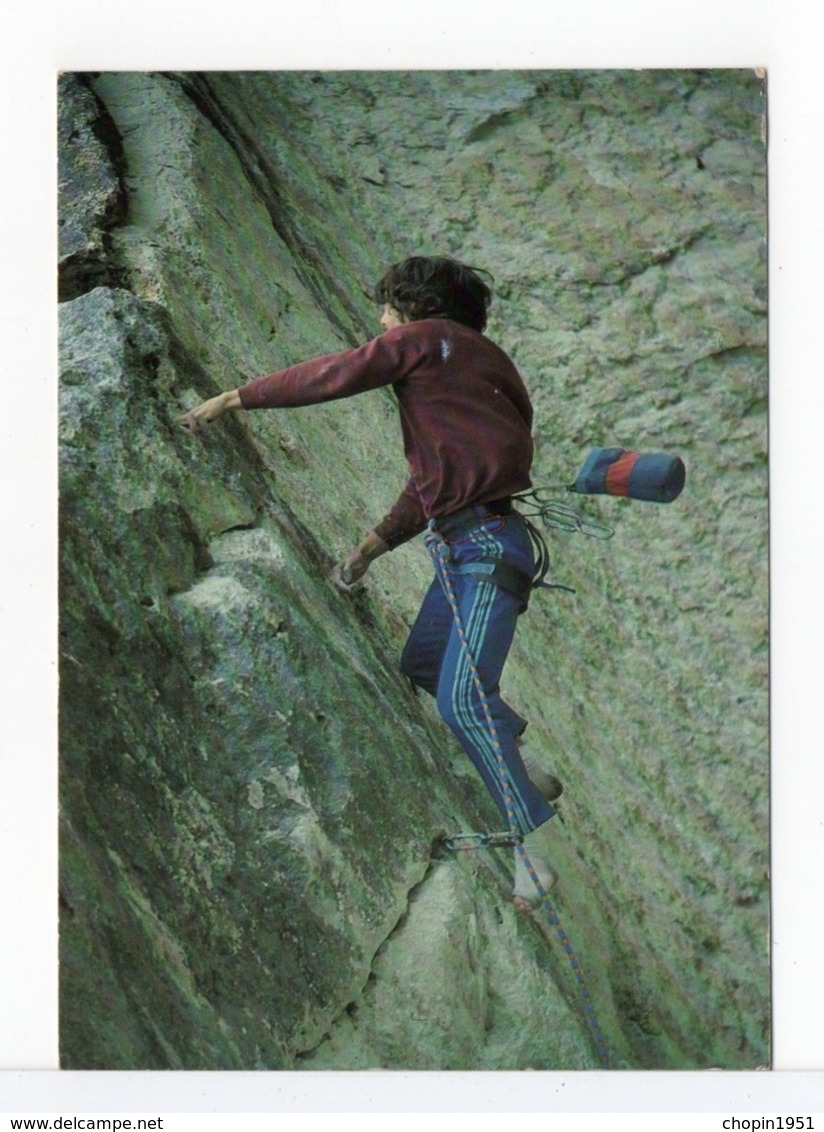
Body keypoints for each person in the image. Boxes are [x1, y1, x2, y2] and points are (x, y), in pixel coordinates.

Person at [180, 255, 561, 912]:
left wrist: (239, 396)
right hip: (475, 543)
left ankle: (530, 853)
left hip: (486, 550)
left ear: (416, 309)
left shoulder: (424, 341)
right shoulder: (482, 366)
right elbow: (435, 485)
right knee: (422, 665)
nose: (381, 324)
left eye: (388, 311)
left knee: (462, 699)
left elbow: (341, 372)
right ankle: (517, 756)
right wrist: (373, 546)